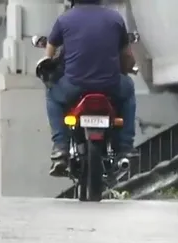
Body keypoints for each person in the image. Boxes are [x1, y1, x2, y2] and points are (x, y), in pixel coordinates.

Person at [43, 0, 137, 177]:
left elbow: (48, 57)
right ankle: (125, 147)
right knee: (128, 90)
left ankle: (60, 148)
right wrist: (125, 69)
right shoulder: (116, 19)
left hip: (73, 85)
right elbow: (127, 57)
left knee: (52, 95)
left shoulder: (64, 20)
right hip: (110, 85)